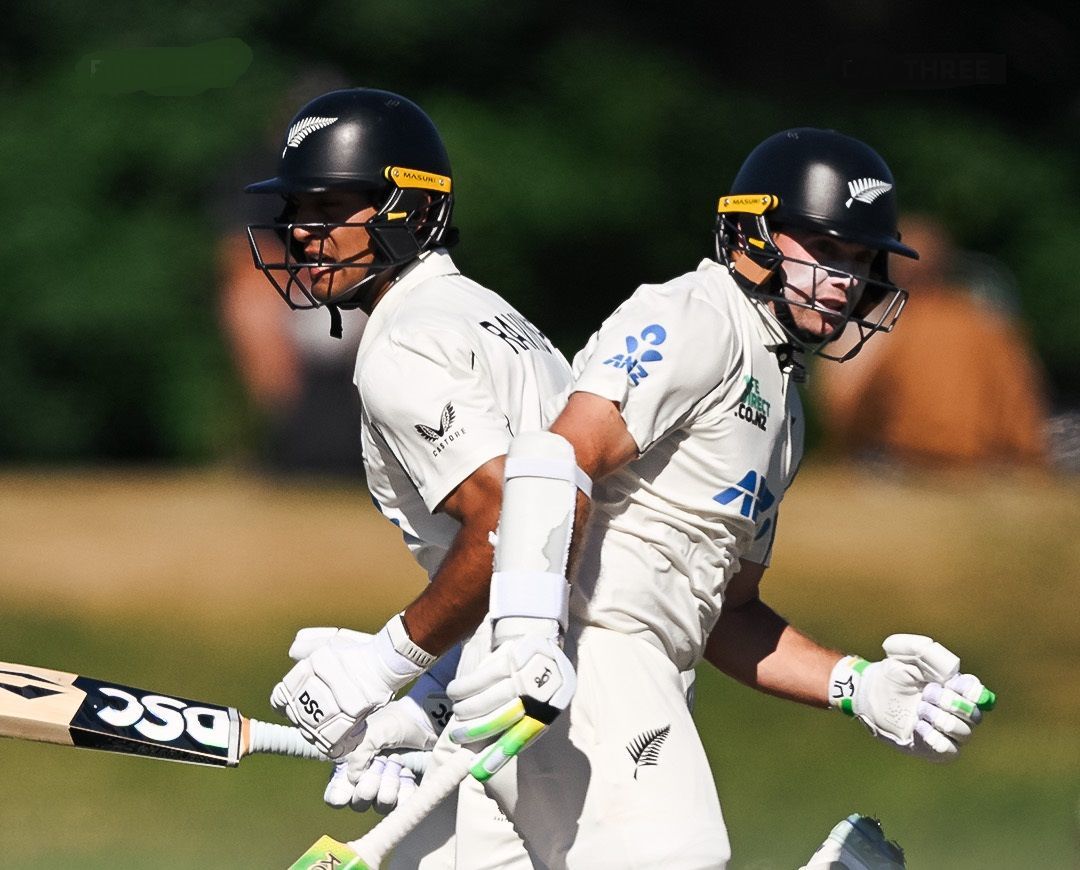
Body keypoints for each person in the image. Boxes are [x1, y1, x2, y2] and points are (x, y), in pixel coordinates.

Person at [444, 128, 997, 868]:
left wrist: (857, 686)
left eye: (861, 261)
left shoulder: (787, 404)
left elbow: (727, 613)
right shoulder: (697, 315)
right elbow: (553, 459)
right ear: (753, 233)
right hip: (582, 655)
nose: (845, 280)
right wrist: (527, 636)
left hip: (624, 670)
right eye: (827, 250)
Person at [246, 87, 575, 868]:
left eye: (330, 208)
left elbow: (509, 523)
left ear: (404, 210)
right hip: (551, 673)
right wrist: (429, 705)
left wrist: (384, 665)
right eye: (297, 209)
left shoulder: (405, 345)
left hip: (541, 694)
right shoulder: (487, 312)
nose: (302, 232)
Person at [814, 213, 1049, 469]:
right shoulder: (987, 325)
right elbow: (1022, 406)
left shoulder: (891, 330)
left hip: (908, 462)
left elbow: (854, 410)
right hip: (982, 466)